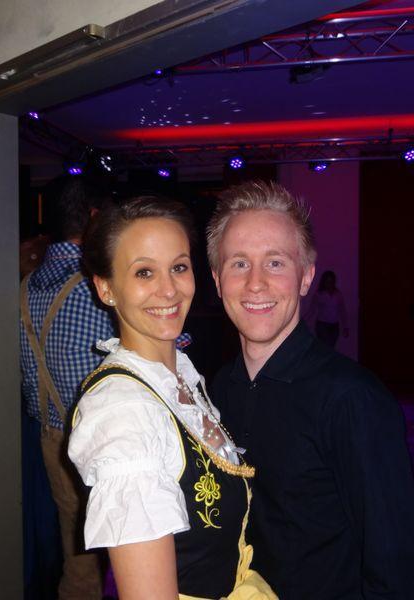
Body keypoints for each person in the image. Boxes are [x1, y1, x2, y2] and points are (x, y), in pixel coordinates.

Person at [208, 181, 414, 600]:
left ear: (306, 277)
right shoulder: (215, 391)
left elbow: (400, 570)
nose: (256, 283)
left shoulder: (352, 399)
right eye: (239, 263)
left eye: (275, 262)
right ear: (217, 280)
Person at [68, 196, 276, 600]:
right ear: (106, 288)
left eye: (179, 267)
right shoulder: (123, 411)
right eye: (144, 272)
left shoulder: (177, 374)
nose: (168, 290)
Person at [20, 178, 114, 600]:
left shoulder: (27, 285)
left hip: (52, 438)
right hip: (103, 437)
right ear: (93, 217)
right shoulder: (97, 287)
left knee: (79, 556)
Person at [305, 270, 349, 347]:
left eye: (331, 281)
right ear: (324, 282)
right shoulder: (319, 295)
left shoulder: (338, 295)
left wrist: (345, 326)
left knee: (331, 347)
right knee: (324, 347)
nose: (329, 284)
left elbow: (342, 311)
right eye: (327, 281)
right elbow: (312, 310)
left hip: (334, 325)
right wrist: (303, 323)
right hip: (322, 325)